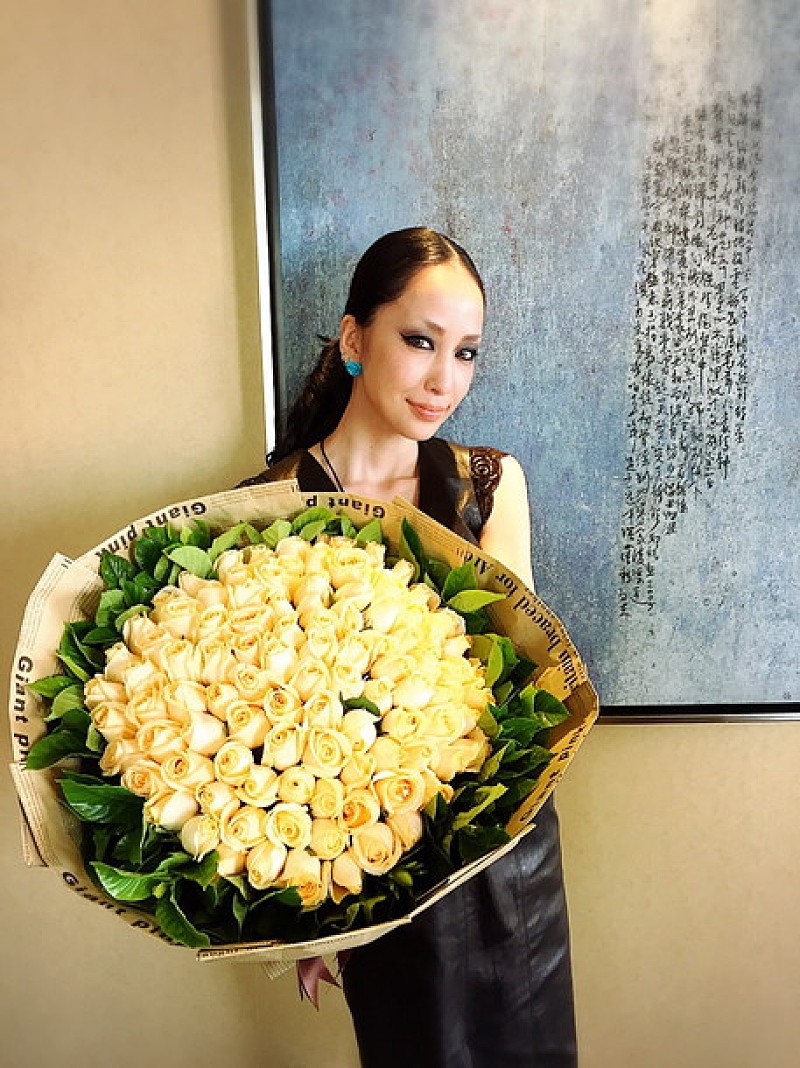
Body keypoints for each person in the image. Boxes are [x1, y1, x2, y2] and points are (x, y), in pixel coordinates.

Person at [241, 227, 577, 1067]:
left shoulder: (487, 483)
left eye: (466, 353)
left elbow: (523, 687)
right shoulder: (264, 505)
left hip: (501, 849)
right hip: (368, 854)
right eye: (421, 341)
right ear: (355, 339)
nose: (443, 381)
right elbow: (259, 730)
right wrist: (305, 905)